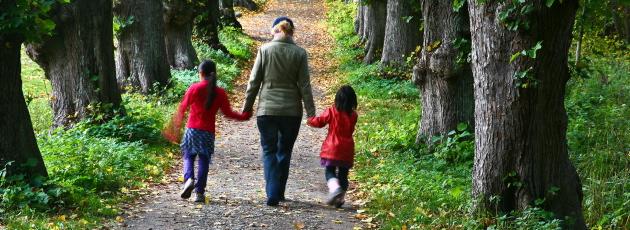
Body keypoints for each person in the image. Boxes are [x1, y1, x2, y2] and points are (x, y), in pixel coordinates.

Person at [242, 16, 316, 206]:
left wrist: (247, 107)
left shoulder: (264, 50)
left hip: (267, 110)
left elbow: (254, 82)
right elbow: (305, 85)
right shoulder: (300, 53)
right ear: (292, 32)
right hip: (292, 111)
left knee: (269, 150)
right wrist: (311, 113)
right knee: (285, 151)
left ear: (274, 30)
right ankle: (279, 192)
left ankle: (272, 192)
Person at [164, 60, 251, 202]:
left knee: (188, 156)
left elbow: (182, 108)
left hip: (192, 130)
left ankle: (189, 180)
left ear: (201, 73)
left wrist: (173, 129)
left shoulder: (194, 88)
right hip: (208, 133)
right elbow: (228, 113)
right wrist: (244, 116)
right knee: (204, 160)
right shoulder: (220, 92)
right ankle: (199, 193)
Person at [307, 85, 358, 208]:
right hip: (347, 150)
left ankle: (335, 189)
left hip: (332, 148)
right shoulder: (354, 115)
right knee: (343, 174)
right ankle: (340, 198)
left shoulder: (331, 111)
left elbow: (320, 122)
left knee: (330, 171)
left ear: (337, 99)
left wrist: (310, 120)